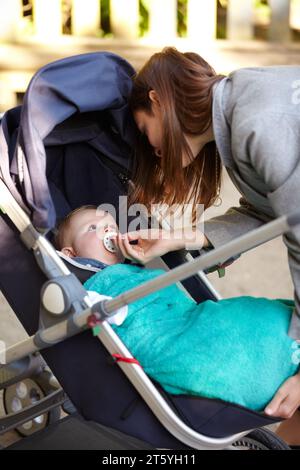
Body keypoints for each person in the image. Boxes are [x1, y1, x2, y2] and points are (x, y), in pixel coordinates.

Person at [115, 46, 300, 440]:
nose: (151, 146)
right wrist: (179, 237)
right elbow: (273, 209)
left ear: (158, 101)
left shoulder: (256, 122)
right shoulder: (242, 99)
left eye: (144, 128)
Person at [55, 206, 299, 413]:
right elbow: (100, 310)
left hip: (187, 319)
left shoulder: (136, 270)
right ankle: (260, 363)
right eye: (93, 228)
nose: (107, 229)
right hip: (165, 335)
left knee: (241, 315)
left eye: (109, 224)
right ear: (71, 254)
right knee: (220, 340)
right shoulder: (96, 287)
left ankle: (274, 350)